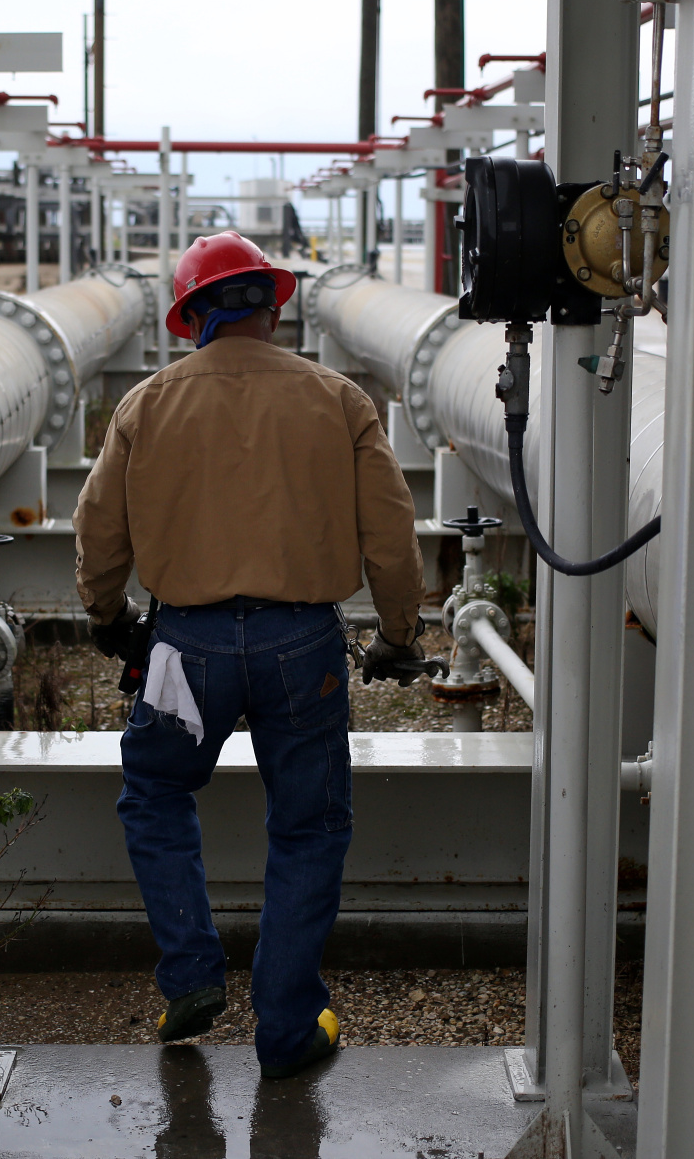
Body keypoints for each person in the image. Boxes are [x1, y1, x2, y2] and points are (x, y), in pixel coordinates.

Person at [73, 231, 432, 1079]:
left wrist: (107, 615)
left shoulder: (147, 404)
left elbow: (99, 531)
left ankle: (192, 976)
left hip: (184, 647)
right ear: (273, 308)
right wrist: (398, 634)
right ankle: (289, 1028)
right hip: (301, 643)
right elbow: (391, 535)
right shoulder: (338, 399)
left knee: (156, 793)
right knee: (308, 826)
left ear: (190, 315)